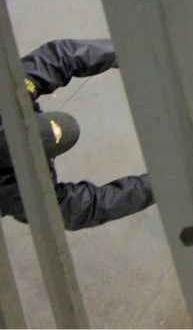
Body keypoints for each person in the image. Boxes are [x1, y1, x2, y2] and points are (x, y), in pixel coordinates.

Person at [0, 39, 154, 230]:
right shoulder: (20, 194)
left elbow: (61, 57)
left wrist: (133, 52)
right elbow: (92, 207)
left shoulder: (8, 99)